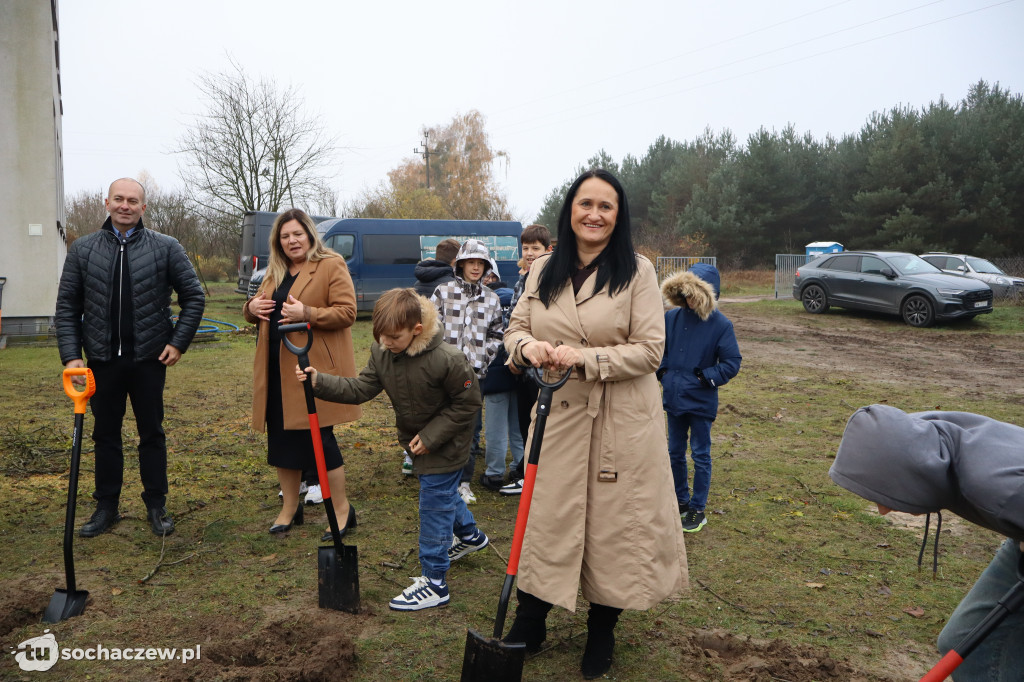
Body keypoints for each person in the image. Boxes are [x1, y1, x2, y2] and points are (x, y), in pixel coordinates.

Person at [503, 169, 688, 679]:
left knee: (615, 529)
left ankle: (602, 630)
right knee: (547, 519)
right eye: (586, 204)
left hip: (620, 420)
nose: (594, 214)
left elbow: (651, 351)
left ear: (618, 215)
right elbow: (516, 327)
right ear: (570, 210)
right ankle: (532, 619)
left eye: (606, 206)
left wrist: (584, 358)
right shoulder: (542, 270)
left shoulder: (638, 271)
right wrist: (527, 348)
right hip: (557, 415)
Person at [296, 288, 490, 611]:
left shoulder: (448, 360)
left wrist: (431, 436)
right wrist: (320, 382)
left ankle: (435, 581)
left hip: (449, 443)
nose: (386, 342)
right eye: (381, 336)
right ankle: (470, 535)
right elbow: (361, 388)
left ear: (416, 329)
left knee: (434, 504)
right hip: (418, 444)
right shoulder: (383, 352)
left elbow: (469, 403)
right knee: (443, 494)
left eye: (393, 337)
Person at [55, 177, 205, 538]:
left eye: (133, 200)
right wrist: (72, 356)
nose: (125, 205)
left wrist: (178, 342)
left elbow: (194, 297)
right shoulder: (83, 250)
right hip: (102, 362)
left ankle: (157, 505)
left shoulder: (166, 247)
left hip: (149, 361)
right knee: (105, 435)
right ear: (106, 202)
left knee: (151, 433)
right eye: (119, 199)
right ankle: (106, 507)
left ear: (143, 207)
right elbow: (67, 306)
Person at [830, 405, 1024, 682]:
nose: (883, 510)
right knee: (966, 641)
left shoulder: (998, 488)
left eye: (884, 493)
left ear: (909, 474)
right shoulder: (919, 438)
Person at [244, 208, 360, 539]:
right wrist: (250, 309)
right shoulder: (276, 270)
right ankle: (290, 508)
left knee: (320, 441)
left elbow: (347, 312)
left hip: (311, 367)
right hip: (275, 368)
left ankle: (341, 511)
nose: (292, 240)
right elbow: (260, 304)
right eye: (285, 236)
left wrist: (305, 312)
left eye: (297, 234)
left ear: (309, 234)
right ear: (277, 241)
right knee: (281, 439)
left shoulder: (330, 264)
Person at [657, 264, 742, 532]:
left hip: (701, 401)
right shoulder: (672, 318)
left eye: (695, 295)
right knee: (674, 452)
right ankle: (680, 501)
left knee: (701, 454)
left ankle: (697, 508)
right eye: (686, 294)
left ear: (708, 294)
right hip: (674, 398)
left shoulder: (721, 324)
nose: (690, 300)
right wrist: (665, 374)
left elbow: (732, 362)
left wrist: (704, 378)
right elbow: (661, 351)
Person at [430, 239, 504, 505]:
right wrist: (437, 358)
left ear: (486, 267)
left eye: (480, 263)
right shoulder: (442, 292)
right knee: (439, 424)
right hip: (443, 373)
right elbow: (429, 326)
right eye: (471, 262)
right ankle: (440, 480)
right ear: (460, 264)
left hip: (475, 375)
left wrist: (484, 359)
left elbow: (497, 334)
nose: (475, 267)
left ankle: (463, 482)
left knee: (471, 430)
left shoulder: (492, 299)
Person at [500, 224, 553, 496]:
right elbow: (515, 319)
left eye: (536, 248)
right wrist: (515, 353)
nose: (530, 253)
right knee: (524, 420)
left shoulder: (550, 277)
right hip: (521, 358)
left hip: (542, 363)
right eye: (526, 248)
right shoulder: (523, 277)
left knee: (539, 419)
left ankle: (531, 475)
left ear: (548, 250)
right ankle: (526, 471)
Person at [405, 237, 463, 475]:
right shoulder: (450, 283)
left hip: (415, 347)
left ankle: (409, 456)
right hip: (439, 349)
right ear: (454, 260)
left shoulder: (420, 279)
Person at [478, 279, 524, 491]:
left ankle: (494, 473)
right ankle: (519, 467)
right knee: (517, 426)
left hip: (495, 376)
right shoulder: (517, 300)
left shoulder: (487, 303)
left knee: (495, 428)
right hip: (518, 371)